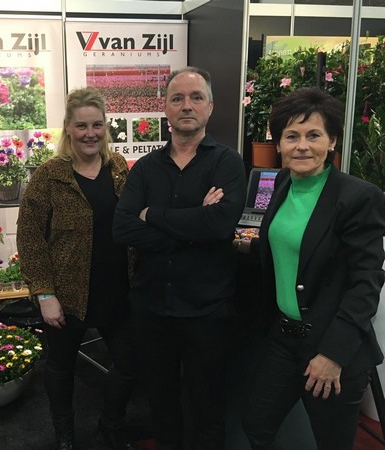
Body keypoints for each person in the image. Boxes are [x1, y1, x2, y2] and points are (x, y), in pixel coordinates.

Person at [239, 87, 385, 449]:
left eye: (313, 135)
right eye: (292, 136)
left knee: (331, 441)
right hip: (284, 338)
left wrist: (333, 354)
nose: (302, 146)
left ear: (331, 141)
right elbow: (291, 248)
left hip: (330, 346)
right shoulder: (283, 183)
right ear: (279, 144)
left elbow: (366, 283)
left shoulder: (358, 197)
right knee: (256, 423)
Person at [113, 67, 247, 449]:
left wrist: (152, 215)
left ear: (210, 107)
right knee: (161, 405)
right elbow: (122, 229)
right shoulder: (146, 168)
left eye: (196, 97)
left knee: (209, 408)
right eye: (177, 98)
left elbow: (219, 225)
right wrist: (194, 224)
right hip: (151, 309)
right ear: (166, 108)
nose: (187, 105)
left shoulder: (227, 163)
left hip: (207, 311)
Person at [16, 87, 138, 450]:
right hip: (66, 295)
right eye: (81, 125)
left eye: (97, 125)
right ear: (68, 127)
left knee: (129, 365)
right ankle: (65, 435)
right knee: (60, 367)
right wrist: (45, 294)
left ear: (106, 127)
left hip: (118, 290)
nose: (90, 133)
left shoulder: (119, 168)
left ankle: (110, 426)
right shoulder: (49, 176)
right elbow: (30, 238)